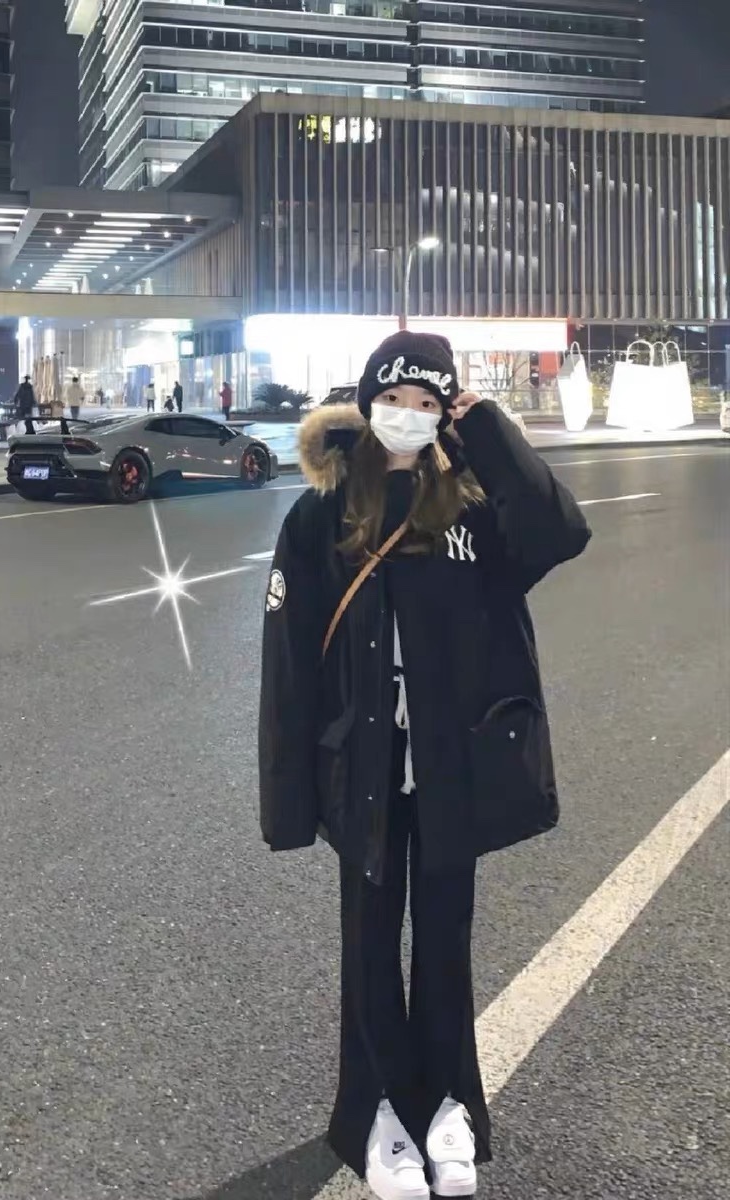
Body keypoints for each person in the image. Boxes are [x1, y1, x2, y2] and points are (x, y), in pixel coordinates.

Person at [258, 332, 591, 1200]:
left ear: (446, 413)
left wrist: (490, 429)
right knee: (369, 945)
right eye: (393, 399)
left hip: (453, 765)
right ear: (367, 403)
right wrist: (288, 799)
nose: (407, 415)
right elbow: (289, 663)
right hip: (363, 765)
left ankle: (448, 1106)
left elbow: (561, 532)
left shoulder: (474, 506)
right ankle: (373, 1116)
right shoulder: (323, 514)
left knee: (446, 939)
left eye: (427, 403)